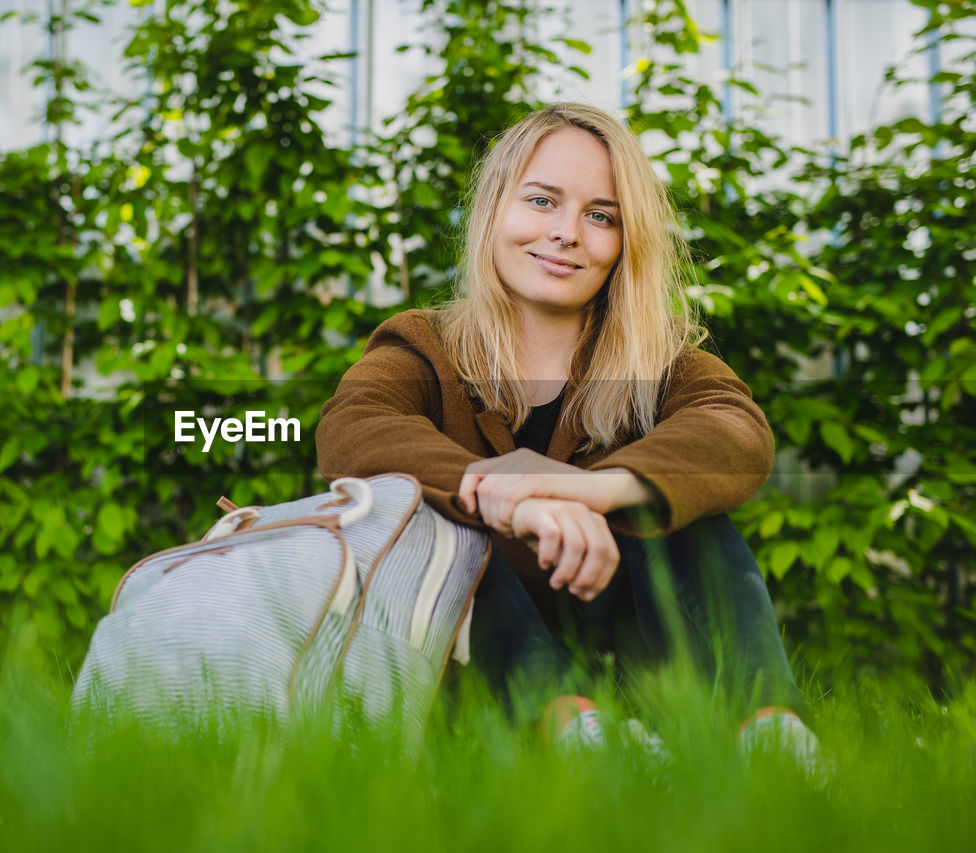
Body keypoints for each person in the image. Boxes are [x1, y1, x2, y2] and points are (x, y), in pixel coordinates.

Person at [315, 102, 822, 765]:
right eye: (542, 200)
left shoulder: (661, 359)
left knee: (683, 511)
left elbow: (736, 432)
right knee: (432, 523)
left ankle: (775, 740)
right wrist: (510, 496)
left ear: (624, 241)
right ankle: (578, 737)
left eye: (600, 215)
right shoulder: (423, 345)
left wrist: (589, 489)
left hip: (640, 669)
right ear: (495, 208)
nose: (566, 233)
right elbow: (353, 427)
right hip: (481, 679)